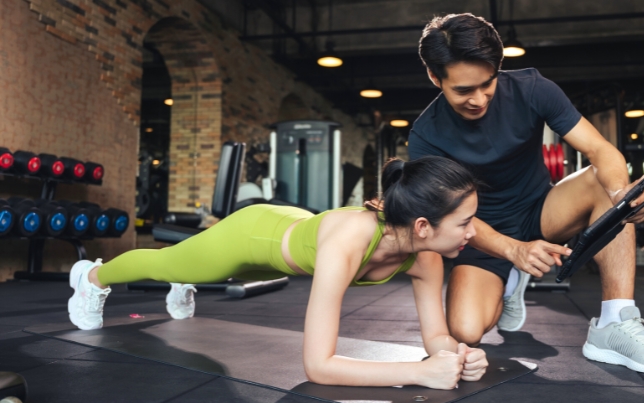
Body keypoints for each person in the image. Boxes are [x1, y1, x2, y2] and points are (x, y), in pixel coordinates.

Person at [409, 13, 644, 374]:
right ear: (434, 77)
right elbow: (450, 219)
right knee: (465, 330)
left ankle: (614, 323)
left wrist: (621, 195)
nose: (478, 99)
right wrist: (513, 250)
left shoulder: (533, 89)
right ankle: (511, 279)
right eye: (463, 90)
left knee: (605, 182)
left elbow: (600, 150)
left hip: (541, 211)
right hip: (481, 235)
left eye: (487, 83)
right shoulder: (426, 135)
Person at [67, 156, 489, 389]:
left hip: (297, 225)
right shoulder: (349, 242)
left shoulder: (426, 257)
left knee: (184, 266)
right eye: (464, 222)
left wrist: (455, 354)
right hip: (253, 236)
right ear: (422, 226)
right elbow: (318, 366)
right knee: (165, 263)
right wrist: (417, 372)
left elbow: (435, 336)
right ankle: (90, 278)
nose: (474, 232)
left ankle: (182, 277)